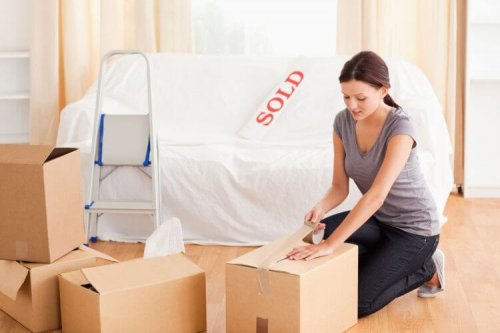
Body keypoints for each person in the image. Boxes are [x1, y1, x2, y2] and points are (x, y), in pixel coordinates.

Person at [287, 51, 445, 317]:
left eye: (360, 98)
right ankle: (384, 258)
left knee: (357, 302)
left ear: (383, 90)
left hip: (415, 231)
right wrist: (321, 207)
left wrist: (331, 246)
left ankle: (425, 269)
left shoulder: (400, 128)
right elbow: (339, 187)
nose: (352, 105)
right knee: (317, 237)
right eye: (346, 96)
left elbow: (376, 196)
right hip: (380, 222)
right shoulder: (342, 122)